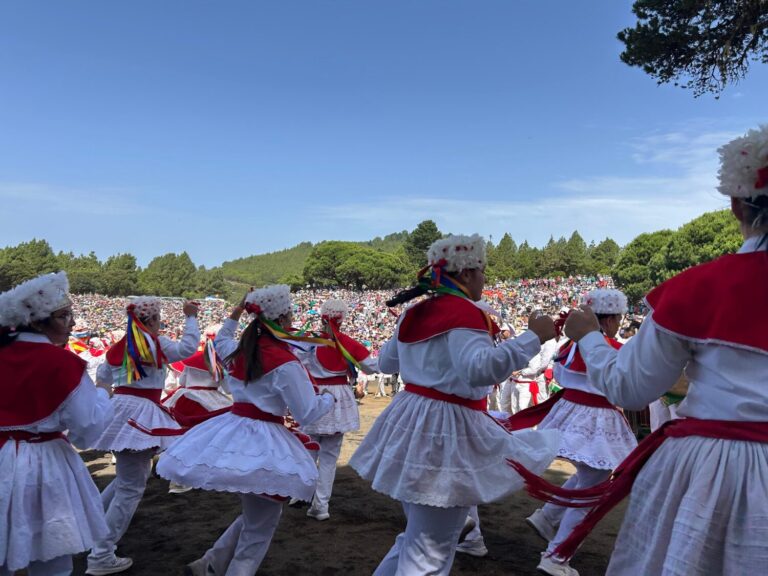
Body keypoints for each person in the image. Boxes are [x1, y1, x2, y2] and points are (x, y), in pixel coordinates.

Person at [522, 125, 768, 575]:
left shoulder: (697, 289)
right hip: (608, 425)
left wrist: (588, 337)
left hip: (709, 465)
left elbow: (630, 386)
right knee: (594, 476)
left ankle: (552, 535)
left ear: (735, 202)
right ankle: (553, 539)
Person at [349, 234, 559, 575]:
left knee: (416, 541)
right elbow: (480, 370)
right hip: (441, 430)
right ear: (465, 274)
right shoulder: (464, 312)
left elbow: (387, 363)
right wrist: (533, 336)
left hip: (410, 421)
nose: (485, 279)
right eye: (482, 271)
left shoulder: (412, 314)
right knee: (428, 553)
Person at [156, 285, 334, 576]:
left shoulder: (239, 351)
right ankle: (224, 568)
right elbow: (307, 413)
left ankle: (210, 563)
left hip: (235, 429)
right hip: (265, 440)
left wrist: (237, 311)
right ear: (284, 320)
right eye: (290, 316)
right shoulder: (284, 362)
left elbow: (223, 337)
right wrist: (329, 398)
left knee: (256, 514)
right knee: (260, 526)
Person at [507, 289, 637, 576]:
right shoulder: (610, 348)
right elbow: (628, 390)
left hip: (570, 411)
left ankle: (548, 516)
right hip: (596, 418)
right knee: (592, 488)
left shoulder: (569, 346)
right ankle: (556, 556)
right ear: (612, 318)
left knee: (587, 476)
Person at [0, 272, 117, 576]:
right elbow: (87, 431)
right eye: (64, 316)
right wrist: (103, 394)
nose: (73, 324)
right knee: (52, 559)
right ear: (37, 321)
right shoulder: (60, 363)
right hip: (43, 463)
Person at [86, 297, 200, 575]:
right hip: (141, 411)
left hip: (120, 409)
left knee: (126, 480)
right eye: (158, 320)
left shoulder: (117, 347)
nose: (160, 324)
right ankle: (101, 553)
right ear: (150, 320)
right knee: (131, 488)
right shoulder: (155, 343)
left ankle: (93, 531)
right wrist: (191, 317)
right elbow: (187, 348)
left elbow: (103, 383)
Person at [295, 299, 379, 521]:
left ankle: (301, 493)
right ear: (342, 318)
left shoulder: (310, 342)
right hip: (338, 397)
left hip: (313, 395)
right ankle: (320, 505)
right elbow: (370, 366)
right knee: (330, 457)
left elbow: (297, 362)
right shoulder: (347, 343)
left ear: (322, 317)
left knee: (308, 450)